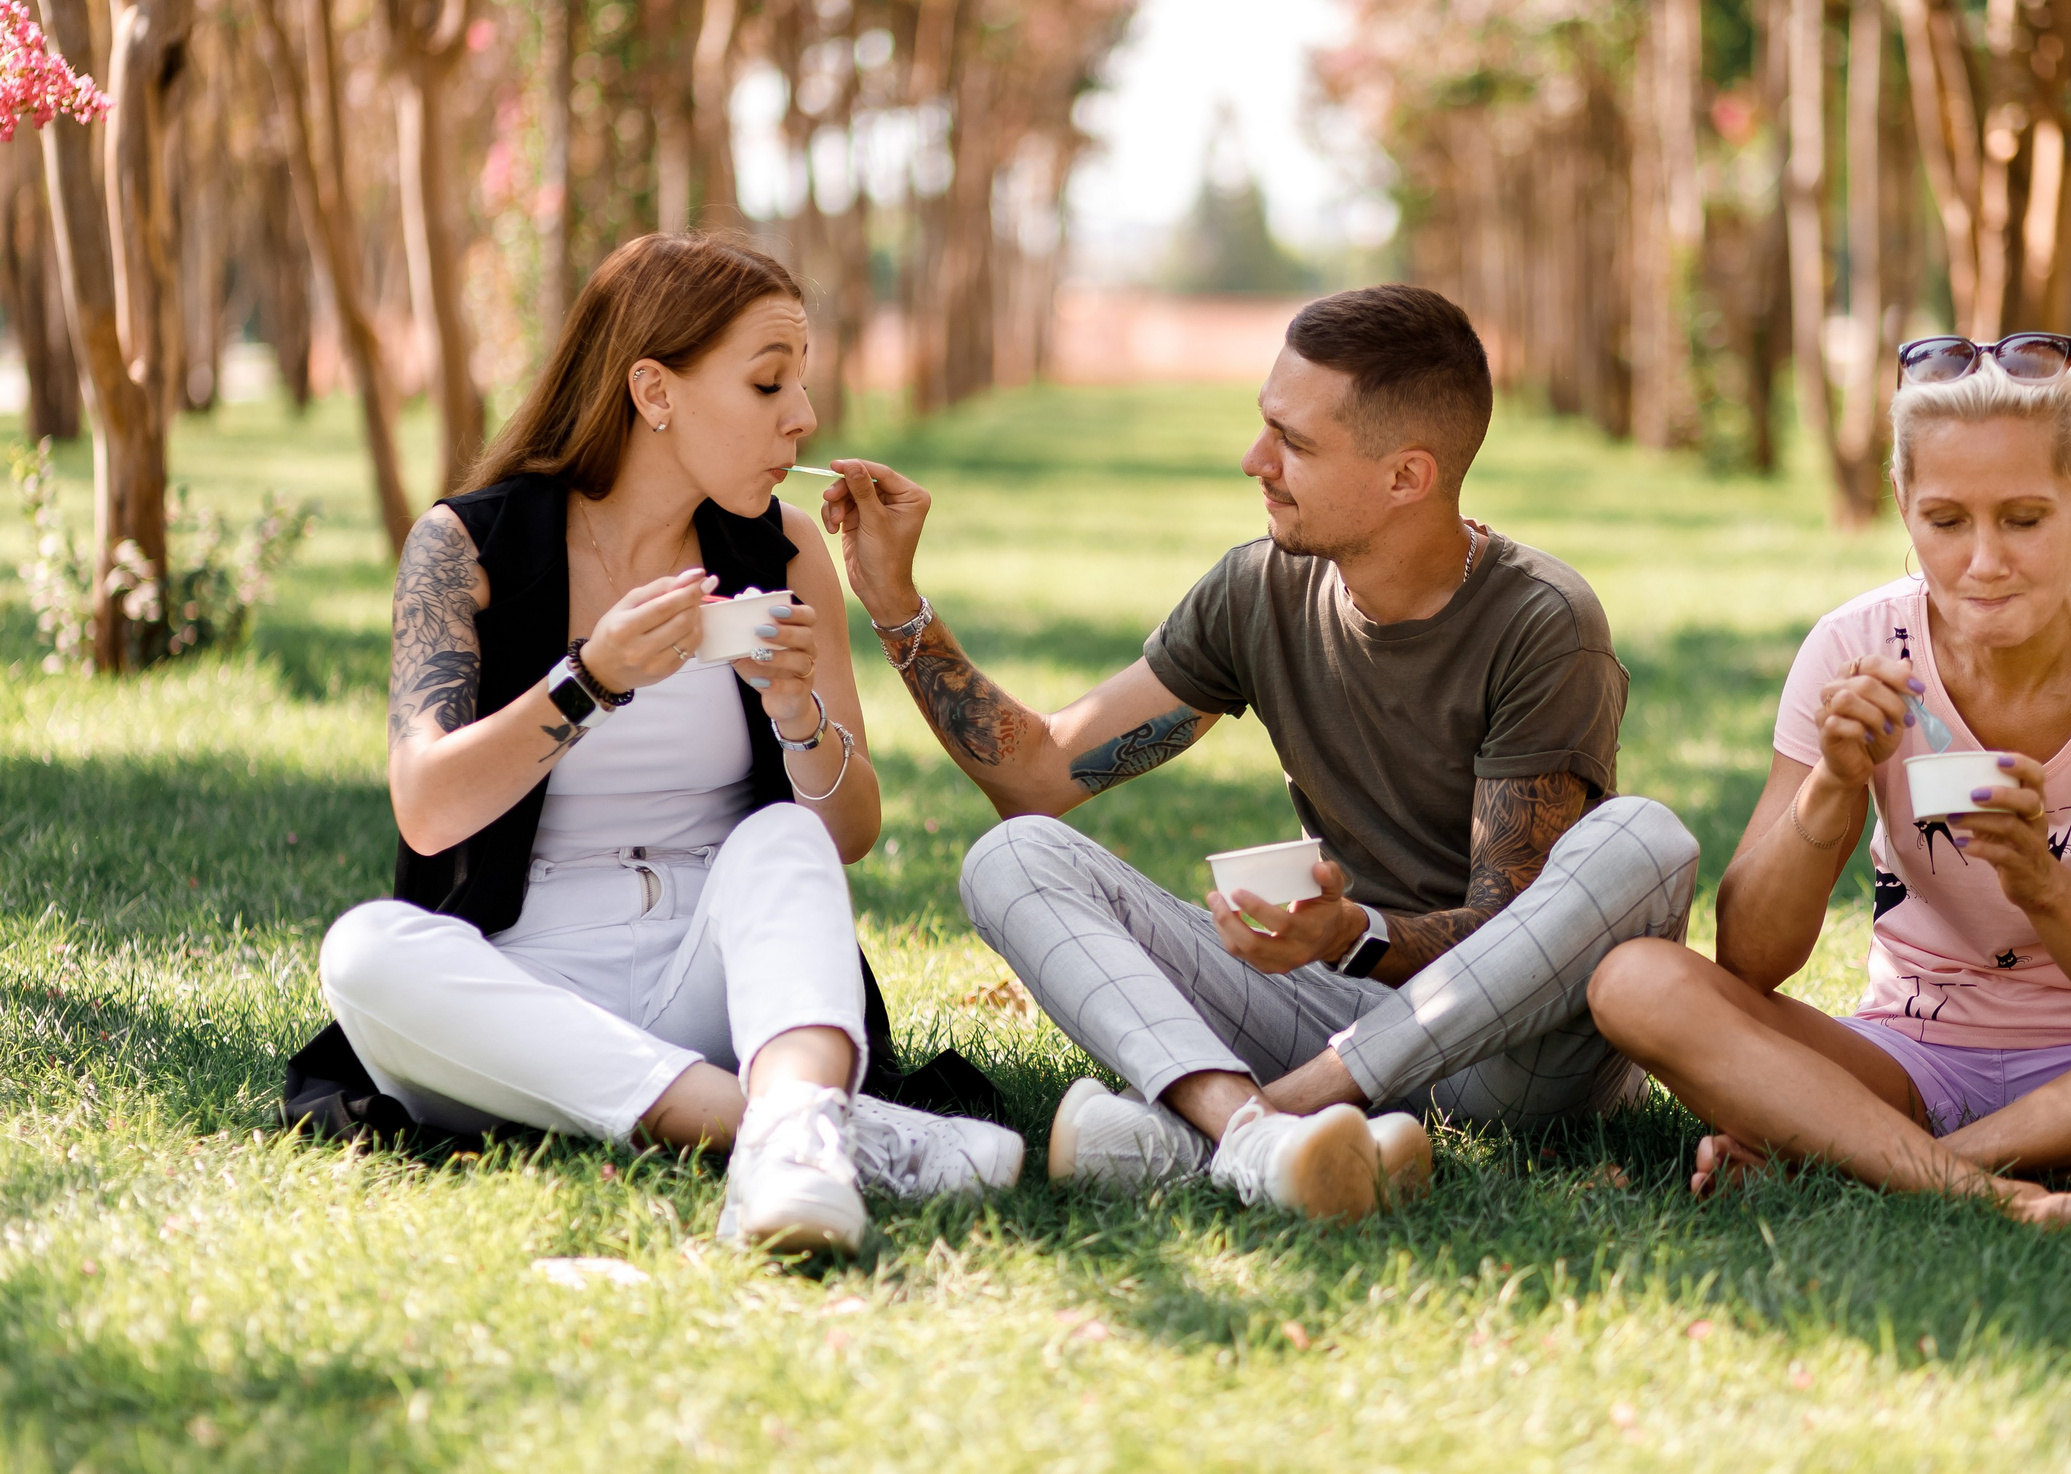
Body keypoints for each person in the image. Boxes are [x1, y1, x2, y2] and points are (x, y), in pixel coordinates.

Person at [815, 284, 1702, 1222]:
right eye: (1264, 428)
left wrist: (1353, 933)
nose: (1255, 462)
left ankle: (1257, 1121)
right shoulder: (1260, 589)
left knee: (1644, 840)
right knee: (1011, 858)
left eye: (1296, 444)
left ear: (1408, 477)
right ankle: (1251, 1136)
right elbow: (1037, 774)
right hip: (1334, 1011)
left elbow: (1512, 933)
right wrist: (895, 604)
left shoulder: (1543, 622)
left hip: (1511, 1062)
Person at [306, 234, 1022, 1255]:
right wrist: (588, 677)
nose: (805, 416)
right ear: (654, 390)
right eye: (768, 380)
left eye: (801, 382)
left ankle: (788, 1123)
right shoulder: (463, 546)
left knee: (780, 840)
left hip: (719, 982)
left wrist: (795, 710)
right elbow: (427, 804)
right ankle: (816, 1132)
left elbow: (848, 833)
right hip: (525, 995)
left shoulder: (782, 549)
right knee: (365, 951)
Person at [1586, 332, 2071, 1234]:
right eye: (1946, 522)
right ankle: (1998, 1183)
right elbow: (1750, 960)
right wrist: (1831, 784)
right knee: (1633, 980)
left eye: (2023, 519)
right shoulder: (1852, 649)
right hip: (1901, 1056)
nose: (1984, 562)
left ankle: (1888, 1160)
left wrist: (2044, 886)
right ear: (1904, 504)